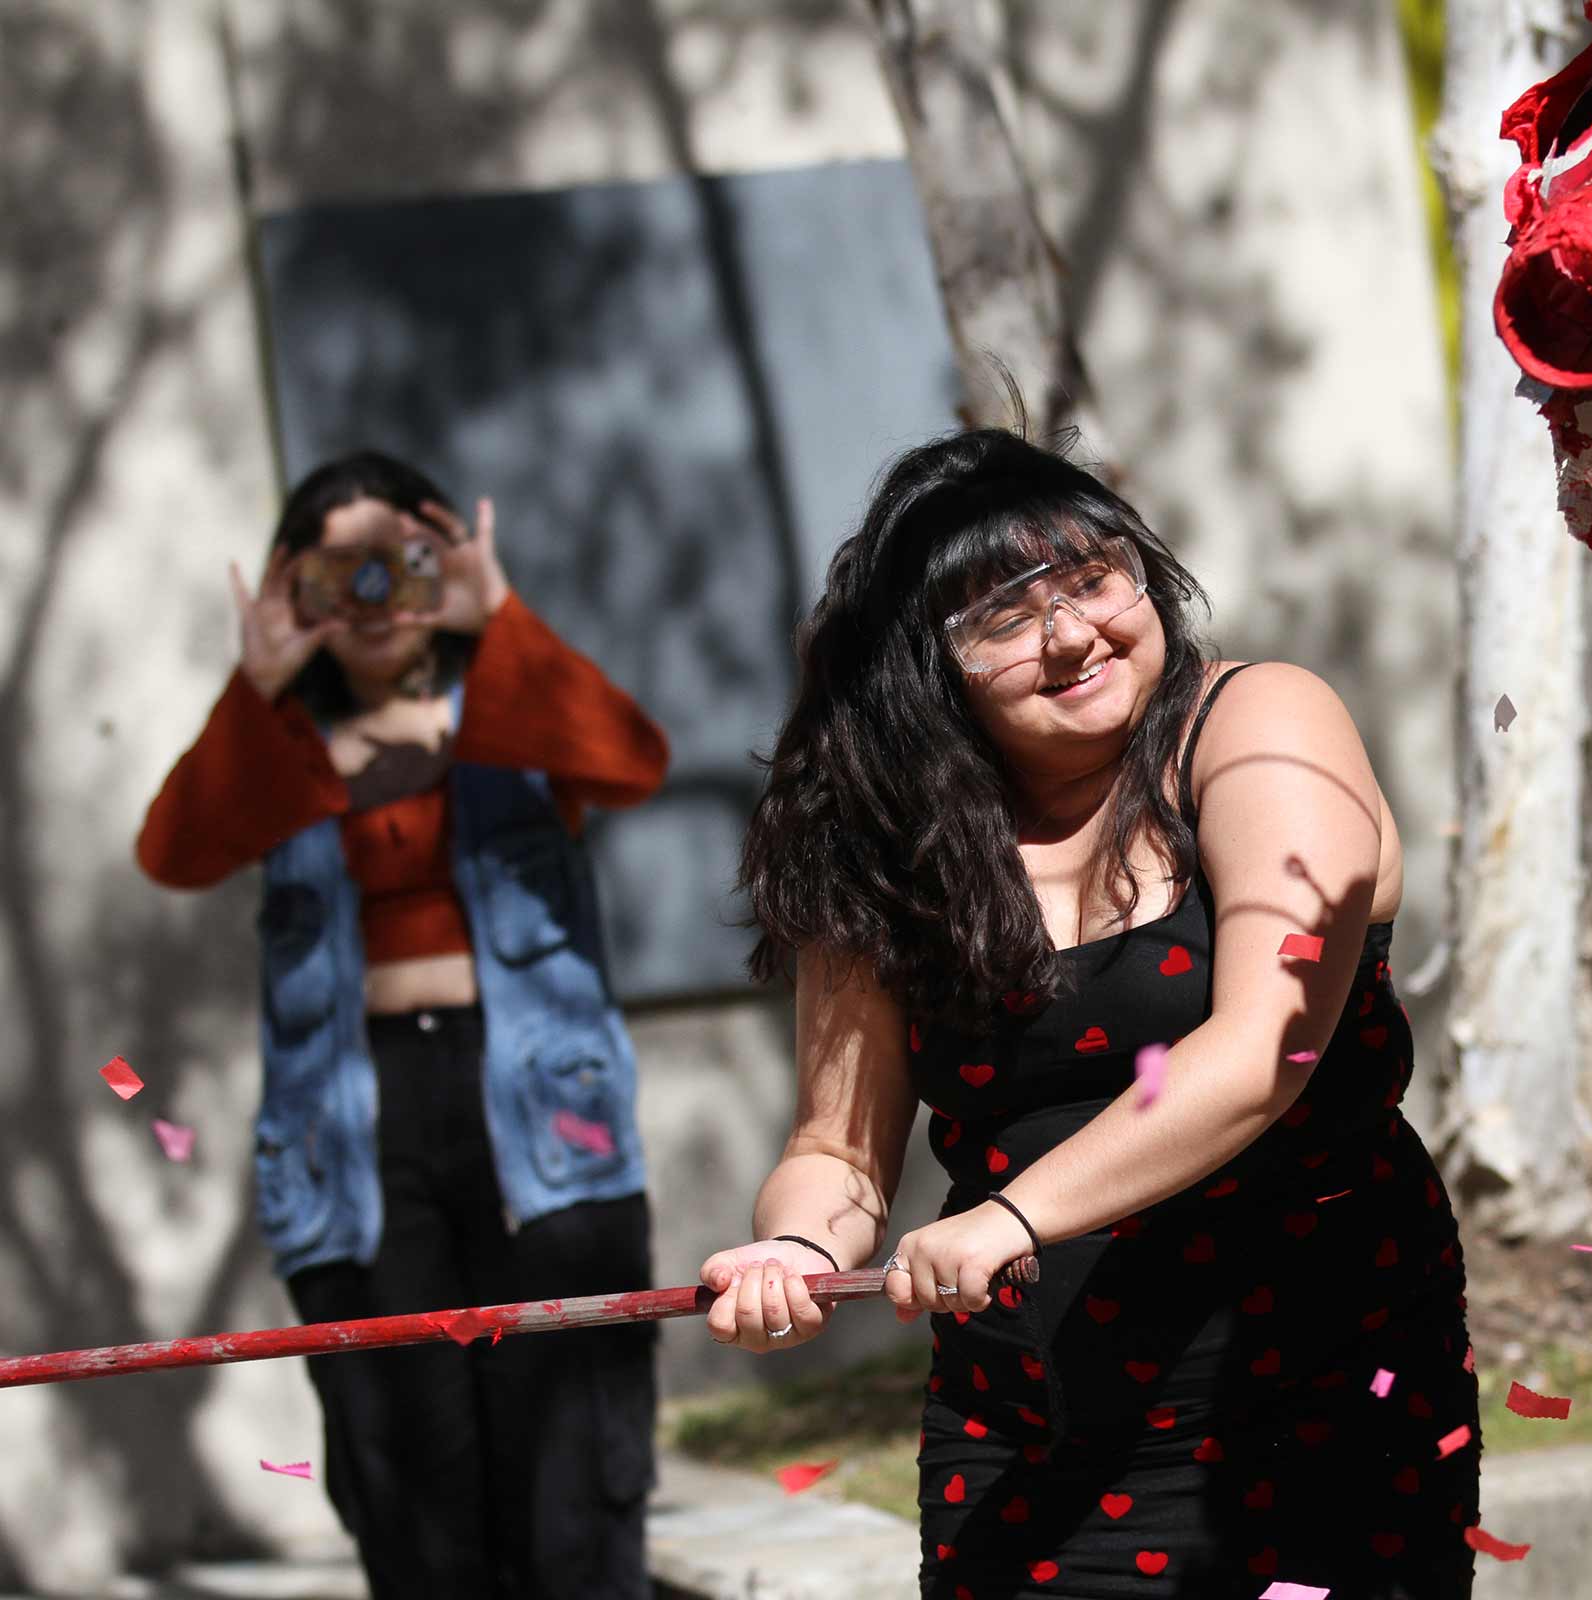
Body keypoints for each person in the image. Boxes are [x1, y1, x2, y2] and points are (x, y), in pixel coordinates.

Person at [704, 427, 1481, 1597]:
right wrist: (798, 1250)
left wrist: (1014, 1218)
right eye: (1003, 618)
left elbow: (1270, 1046)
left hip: (1316, 1380)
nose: (1072, 634)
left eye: (1090, 577)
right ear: (929, 668)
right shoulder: (880, 838)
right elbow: (835, 1149)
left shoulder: (1262, 722)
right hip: (1027, 1412)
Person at [136, 451, 668, 1599]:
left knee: (571, 1443)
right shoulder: (281, 748)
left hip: (539, 1106)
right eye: (339, 572)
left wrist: (504, 617)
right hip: (352, 1125)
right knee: (403, 1457)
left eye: (397, 562)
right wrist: (259, 686)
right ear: (297, 590)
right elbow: (173, 851)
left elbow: (635, 758)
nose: (370, 595)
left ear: (440, 563)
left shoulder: (509, 709)